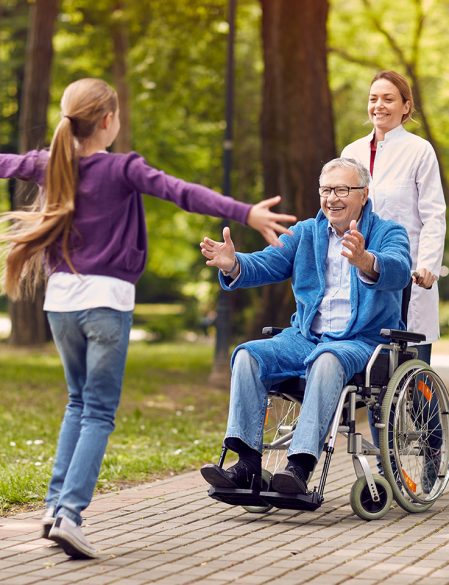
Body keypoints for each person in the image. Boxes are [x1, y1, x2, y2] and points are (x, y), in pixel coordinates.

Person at [0, 78, 296, 559]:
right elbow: (183, 193)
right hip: (106, 301)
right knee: (96, 410)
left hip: (60, 304)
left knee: (78, 403)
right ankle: (70, 515)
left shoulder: (49, 163)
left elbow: (4, 163)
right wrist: (246, 213)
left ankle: (54, 508)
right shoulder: (121, 169)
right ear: (108, 121)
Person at [199, 157, 411, 496]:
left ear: (364, 194)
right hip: (305, 337)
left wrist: (366, 260)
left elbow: (399, 269)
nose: (332, 198)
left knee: (327, 359)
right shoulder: (306, 233)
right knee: (248, 356)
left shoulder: (388, 232)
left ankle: (299, 467)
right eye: (326, 190)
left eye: (342, 189)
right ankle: (248, 464)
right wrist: (233, 263)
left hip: (360, 341)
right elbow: (266, 263)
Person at [341, 71, 446, 487]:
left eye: (388, 98)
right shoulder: (351, 151)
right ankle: (386, 466)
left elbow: (434, 214)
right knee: (374, 376)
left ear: (406, 106)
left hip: (410, 279)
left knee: (414, 374)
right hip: (365, 277)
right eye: (373, 98)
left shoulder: (419, 151)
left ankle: (433, 459)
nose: (378, 105)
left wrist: (427, 265)